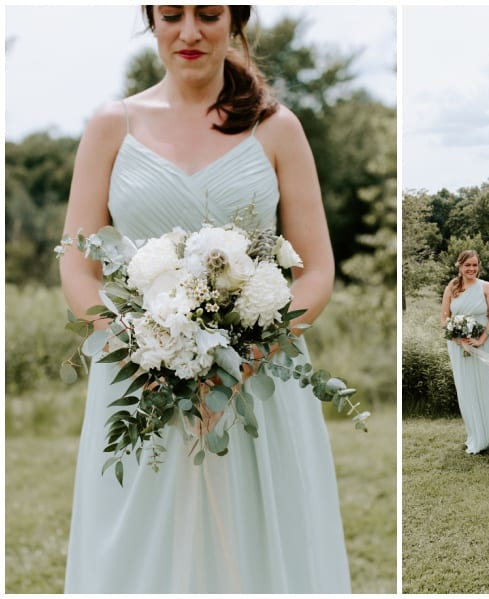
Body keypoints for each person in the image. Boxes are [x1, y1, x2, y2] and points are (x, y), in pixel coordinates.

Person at [59, 6, 350, 593]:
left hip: (254, 380)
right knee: (142, 551)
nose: (189, 32)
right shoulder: (112, 126)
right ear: (152, 21)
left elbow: (317, 269)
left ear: (235, 22)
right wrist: (134, 347)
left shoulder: (277, 128)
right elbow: (77, 265)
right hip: (138, 378)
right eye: (171, 14)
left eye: (209, 14)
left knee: (257, 544)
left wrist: (253, 353)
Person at [440, 250, 489, 454]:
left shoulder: (486, 287)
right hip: (458, 345)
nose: (471, 269)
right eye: (467, 265)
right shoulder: (452, 287)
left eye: (475, 265)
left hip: (484, 342)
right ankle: (476, 433)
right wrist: (456, 337)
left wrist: (481, 339)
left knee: (488, 385)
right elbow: (444, 317)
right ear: (459, 266)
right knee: (466, 387)